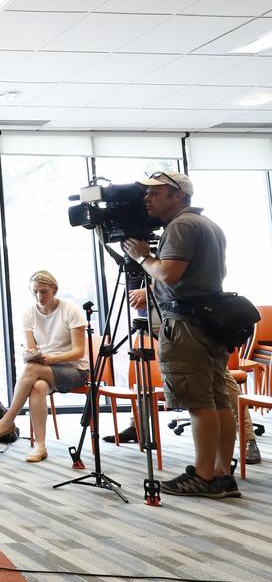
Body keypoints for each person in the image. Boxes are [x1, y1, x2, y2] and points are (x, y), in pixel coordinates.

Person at [122, 171, 238, 498]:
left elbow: (169, 274)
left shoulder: (182, 226)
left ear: (178, 196)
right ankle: (220, 473)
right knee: (216, 400)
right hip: (209, 320)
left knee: (199, 403)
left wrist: (142, 255)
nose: (147, 198)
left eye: (155, 193)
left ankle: (203, 476)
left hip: (186, 323)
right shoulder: (207, 224)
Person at [0, 271, 88, 462]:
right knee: (37, 387)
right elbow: (31, 348)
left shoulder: (70, 310)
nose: (40, 297)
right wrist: (32, 355)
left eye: (44, 292)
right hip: (46, 368)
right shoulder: (29, 313)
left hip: (75, 369)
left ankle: (8, 419)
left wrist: (52, 359)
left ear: (54, 289)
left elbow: (79, 352)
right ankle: (40, 446)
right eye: (35, 292)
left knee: (32, 370)